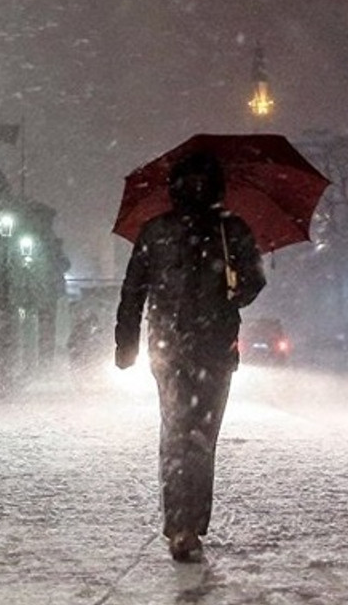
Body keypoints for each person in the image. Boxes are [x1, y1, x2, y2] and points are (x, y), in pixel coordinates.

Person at [114, 151, 266, 563]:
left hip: (174, 347)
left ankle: (182, 523)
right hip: (208, 349)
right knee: (198, 436)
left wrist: (126, 343)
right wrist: (238, 289)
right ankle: (189, 524)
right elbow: (254, 284)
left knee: (179, 433)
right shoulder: (230, 228)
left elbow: (133, 291)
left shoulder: (160, 230)